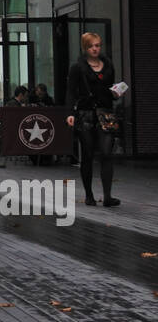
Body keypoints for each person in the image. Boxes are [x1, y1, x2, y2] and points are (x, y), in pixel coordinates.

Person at [65, 32, 120, 207]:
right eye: (91, 46)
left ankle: (107, 196)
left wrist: (115, 93)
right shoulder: (77, 68)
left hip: (105, 114)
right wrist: (70, 113)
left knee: (107, 153)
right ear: (85, 48)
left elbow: (111, 88)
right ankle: (89, 195)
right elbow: (71, 91)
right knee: (87, 155)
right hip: (85, 114)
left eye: (97, 45)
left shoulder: (108, 66)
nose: (95, 49)